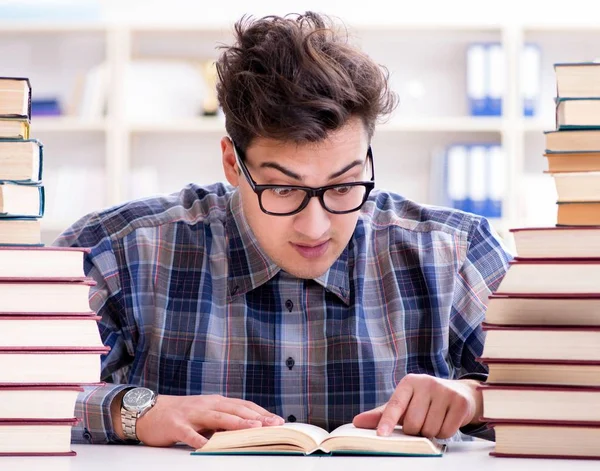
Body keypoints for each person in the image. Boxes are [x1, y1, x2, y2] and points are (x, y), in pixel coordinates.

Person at [55, 12, 512, 449]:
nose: (315, 227)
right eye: (281, 189)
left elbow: (574, 397)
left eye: (343, 184)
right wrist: (135, 411)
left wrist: (475, 399)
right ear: (233, 164)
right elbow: (15, 391)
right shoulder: (119, 250)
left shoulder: (454, 251)